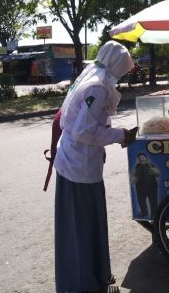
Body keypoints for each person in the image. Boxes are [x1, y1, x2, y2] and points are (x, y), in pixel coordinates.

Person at [53, 41, 136, 293]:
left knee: (85, 225)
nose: (122, 74)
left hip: (77, 163)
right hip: (79, 168)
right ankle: (84, 283)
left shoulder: (92, 77)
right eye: (123, 69)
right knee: (83, 228)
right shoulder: (98, 86)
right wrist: (121, 135)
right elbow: (83, 130)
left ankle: (92, 277)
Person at [130, 152, 160, 218]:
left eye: (143, 157)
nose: (142, 159)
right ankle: (144, 212)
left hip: (151, 186)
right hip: (140, 186)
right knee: (141, 201)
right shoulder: (136, 167)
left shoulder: (150, 165)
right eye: (140, 158)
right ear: (138, 160)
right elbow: (133, 175)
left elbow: (158, 173)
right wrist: (133, 179)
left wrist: (154, 171)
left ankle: (154, 214)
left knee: (153, 201)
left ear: (146, 158)